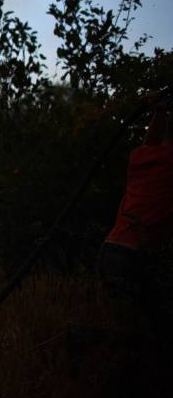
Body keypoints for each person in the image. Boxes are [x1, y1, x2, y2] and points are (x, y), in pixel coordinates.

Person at [96, 89, 173, 392]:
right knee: (146, 342)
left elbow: (151, 139)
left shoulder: (141, 158)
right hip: (132, 261)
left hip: (109, 253)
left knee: (127, 335)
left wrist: (158, 111)